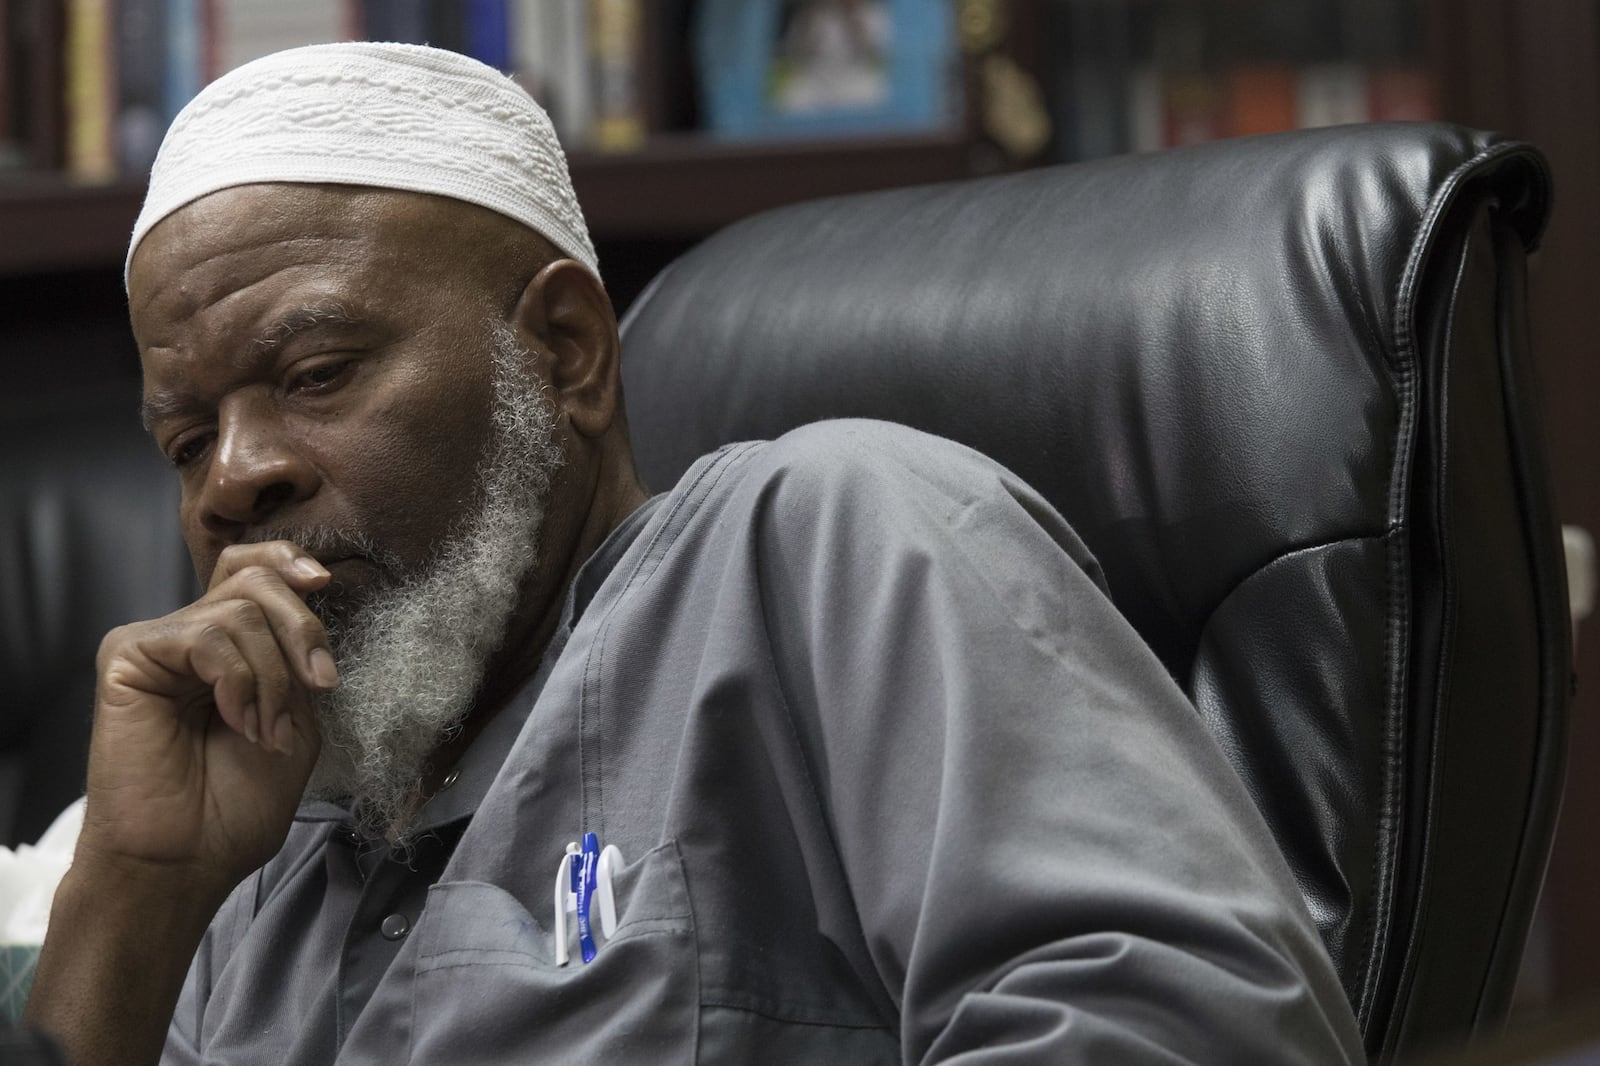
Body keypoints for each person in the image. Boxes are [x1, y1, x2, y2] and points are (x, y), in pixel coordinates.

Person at [22, 42, 1364, 1064]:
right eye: (187, 437)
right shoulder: (254, 832)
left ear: (563, 353)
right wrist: (136, 890)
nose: (234, 479)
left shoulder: (822, 545)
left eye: (315, 370)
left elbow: (1188, 1016)